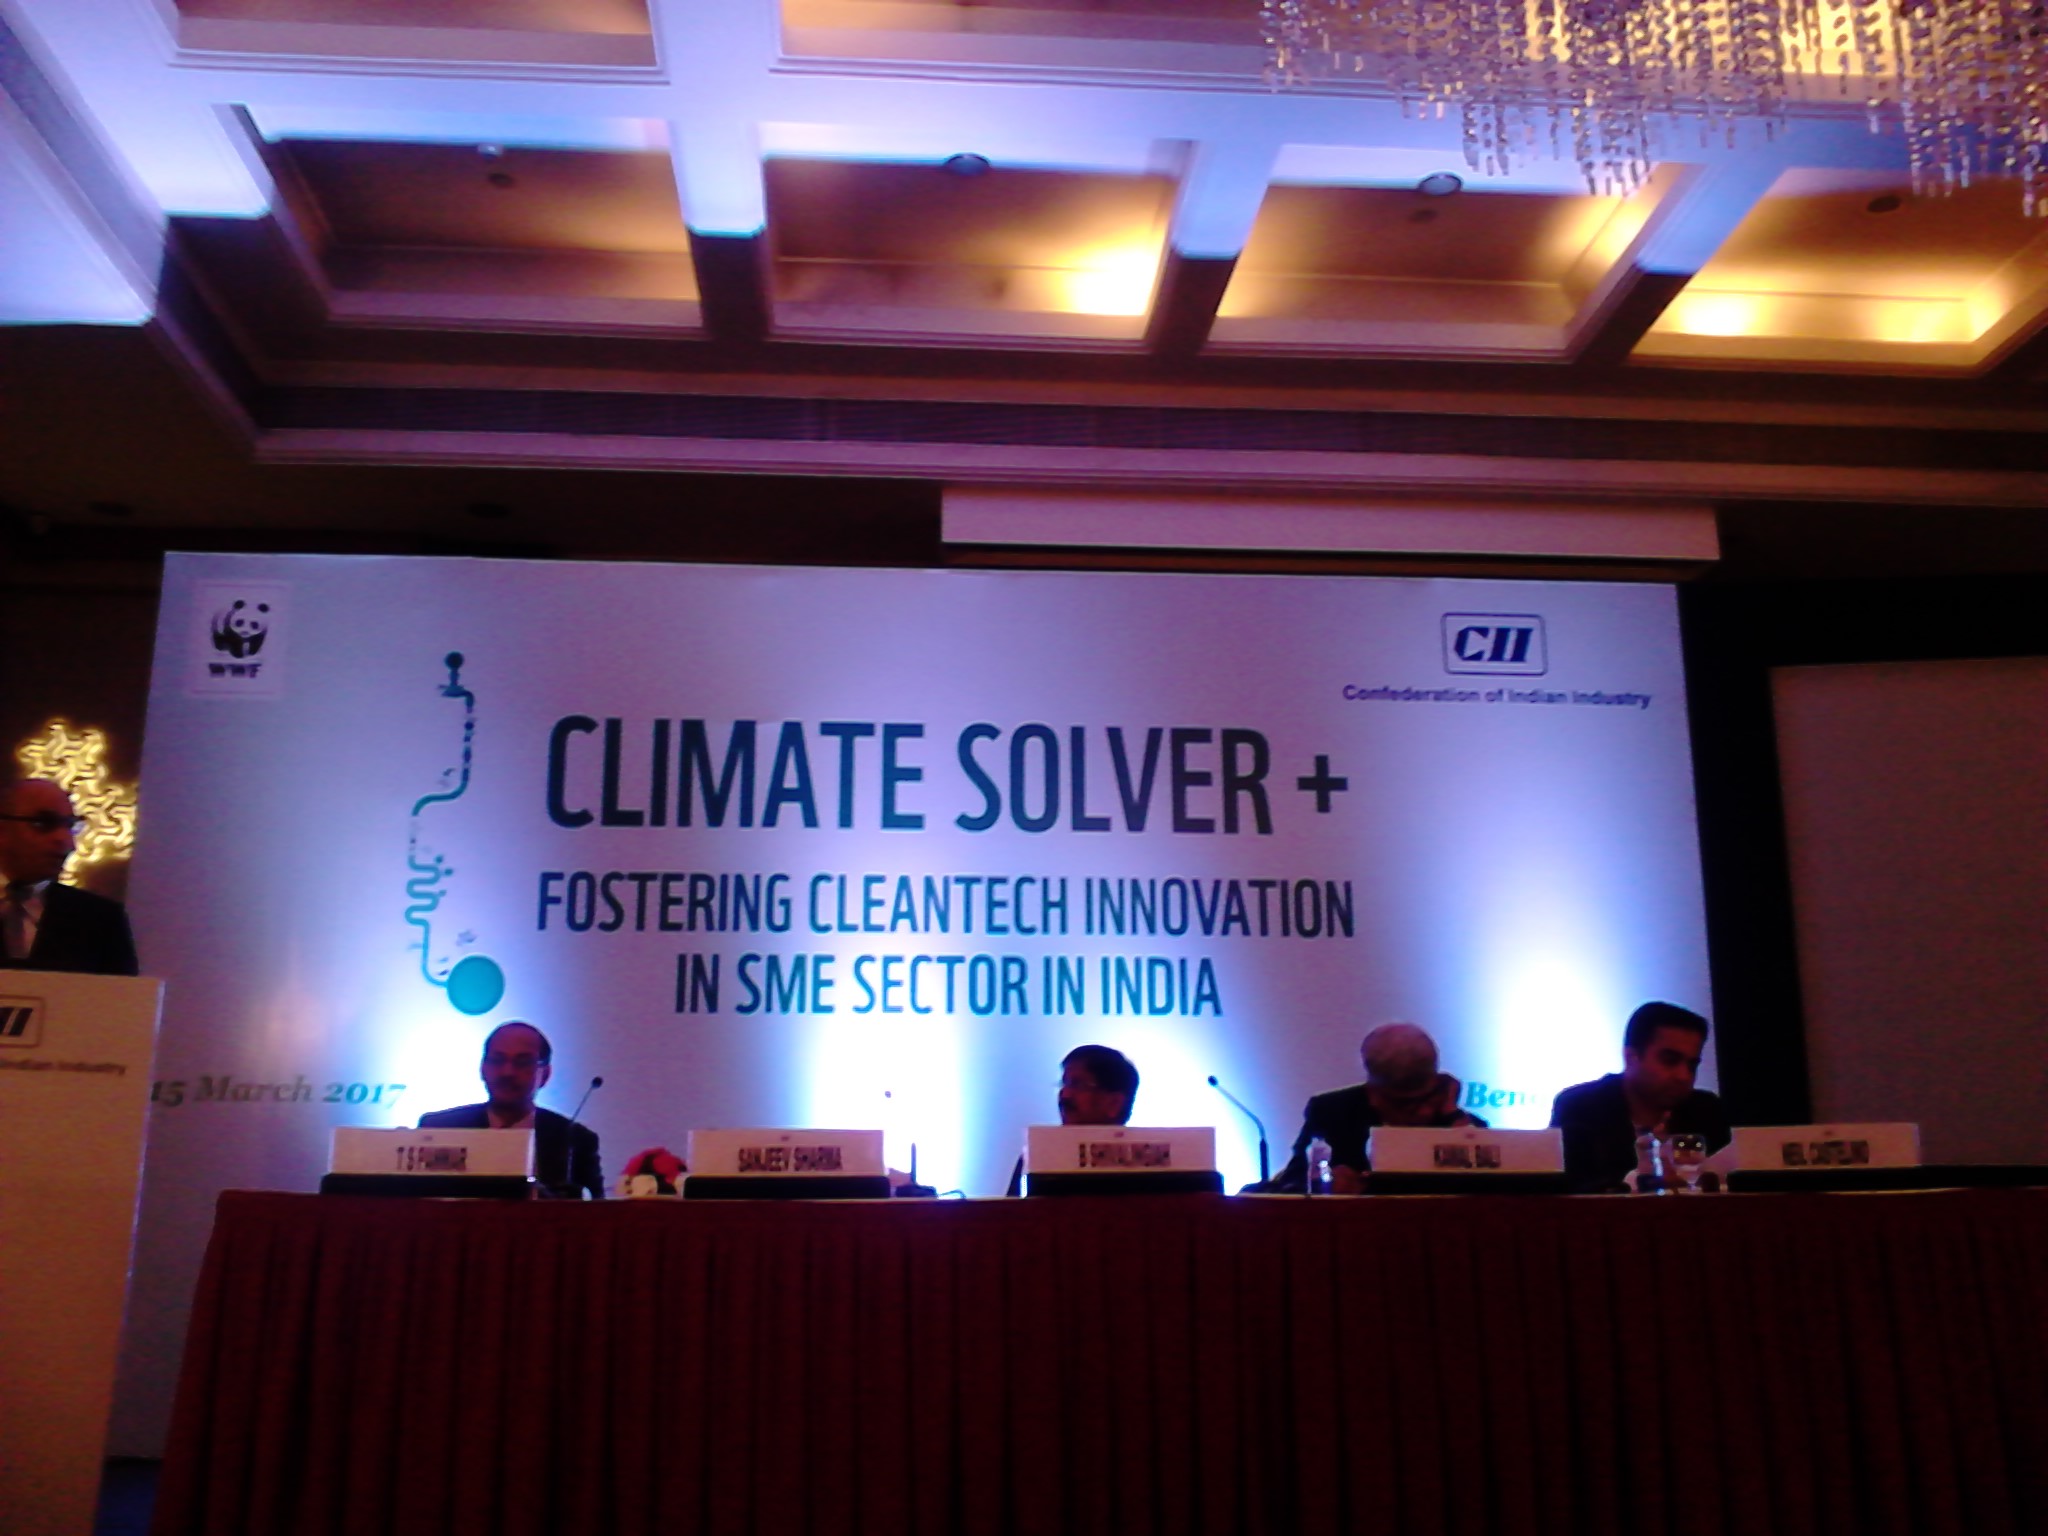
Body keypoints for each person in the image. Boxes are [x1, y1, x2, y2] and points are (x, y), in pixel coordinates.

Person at [1273, 1022, 1485, 1191]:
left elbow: (1491, 1189)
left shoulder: (1461, 1125)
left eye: (1420, 1099)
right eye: (1397, 1101)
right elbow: (1291, 1183)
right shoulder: (1332, 1112)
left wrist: (1452, 1116)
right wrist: (1325, 1184)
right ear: (1372, 1085)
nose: (1409, 1110)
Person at [1549, 1001, 1732, 1192]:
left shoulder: (1706, 1110)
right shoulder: (1581, 1106)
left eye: (1692, 1065)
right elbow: (1573, 1189)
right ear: (1631, 1057)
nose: (1684, 1076)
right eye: (1670, 1061)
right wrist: (1640, 1181)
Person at [418, 1021, 603, 1199]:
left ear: (545, 1074)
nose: (508, 1072)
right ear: (482, 1069)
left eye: (522, 1062)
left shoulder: (575, 1139)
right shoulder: (441, 1129)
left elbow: (597, 1211)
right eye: (497, 1061)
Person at [0, 777, 138, 975]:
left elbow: (122, 993)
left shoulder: (101, 920)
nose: (65, 841)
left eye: (70, 826)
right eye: (43, 823)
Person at [1005, 1042, 1139, 1196]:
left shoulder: (1142, 1163)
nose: (1065, 1094)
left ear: (1114, 1103)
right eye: (1064, 1083)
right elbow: (1008, 1210)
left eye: (1078, 1085)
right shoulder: (1038, 1155)